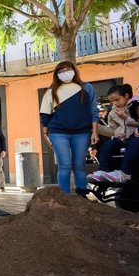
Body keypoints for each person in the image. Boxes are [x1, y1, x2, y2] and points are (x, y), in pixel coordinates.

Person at [40, 61, 99, 195]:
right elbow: (45, 114)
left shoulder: (87, 88)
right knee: (64, 165)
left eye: (68, 69)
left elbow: (93, 110)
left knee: (79, 166)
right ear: (56, 75)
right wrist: (45, 134)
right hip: (58, 133)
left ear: (74, 70)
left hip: (82, 132)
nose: (65, 73)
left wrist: (95, 131)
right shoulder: (51, 91)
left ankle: (82, 196)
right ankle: (64, 197)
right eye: (61, 71)